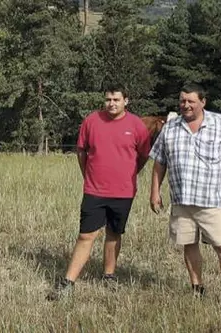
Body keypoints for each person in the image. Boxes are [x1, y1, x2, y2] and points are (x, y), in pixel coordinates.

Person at [148, 83, 221, 313]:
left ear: (203, 102)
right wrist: (155, 191)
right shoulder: (171, 127)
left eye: (191, 101)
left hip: (211, 200)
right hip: (182, 200)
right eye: (183, 101)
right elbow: (159, 162)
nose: (186, 105)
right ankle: (197, 287)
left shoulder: (219, 123)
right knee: (189, 245)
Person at [47, 84, 152, 300]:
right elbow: (81, 151)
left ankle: (109, 275)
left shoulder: (137, 126)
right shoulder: (91, 121)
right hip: (95, 189)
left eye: (116, 100)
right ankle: (68, 282)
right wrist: (88, 176)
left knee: (114, 233)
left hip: (123, 192)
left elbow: (143, 156)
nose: (111, 104)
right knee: (86, 235)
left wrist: (130, 174)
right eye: (108, 100)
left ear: (126, 101)